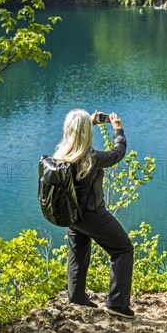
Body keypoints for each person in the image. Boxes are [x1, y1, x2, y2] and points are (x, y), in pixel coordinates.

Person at [52, 108, 134, 319]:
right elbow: (117, 154)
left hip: (72, 214)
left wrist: (86, 122)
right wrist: (119, 131)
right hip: (92, 215)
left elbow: (75, 133)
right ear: (86, 133)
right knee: (123, 250)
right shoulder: (92, 157)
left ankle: (77, 298)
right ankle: (117, 304)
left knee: (77, 254)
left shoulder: (60, 154)